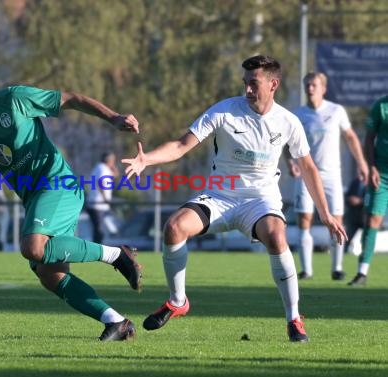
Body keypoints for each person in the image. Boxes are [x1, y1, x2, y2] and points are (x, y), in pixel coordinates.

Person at [122, 55, 347, 342]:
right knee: (174, 227)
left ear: (273, 84)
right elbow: (180, 145)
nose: (248, 90)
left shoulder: (288, 122)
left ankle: (294, 318)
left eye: (254, 83)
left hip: (260, 201)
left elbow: (308, 168)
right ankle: (178, 302)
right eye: (245, 83)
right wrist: (147, 160)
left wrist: (326, 214)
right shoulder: (224, 111)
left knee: (277, 235)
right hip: (219, 196)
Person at [0, 59, 142, 341]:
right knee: (49, 274)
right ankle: (116, 321)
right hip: (34, 199)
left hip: (57, 184)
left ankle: (117, 255)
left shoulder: (15, 98)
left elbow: (72, 100)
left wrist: (114, 117)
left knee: (32, 247)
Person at [285, 72, 368, 281]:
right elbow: (287, 143)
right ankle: (306, 270)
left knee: (336, 220)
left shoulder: (336, 111)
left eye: (313, 85)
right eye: (307, 85)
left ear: (323, 88)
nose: (309, 88)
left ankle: (337, 267)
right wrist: (290, 163)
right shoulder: (298, 114)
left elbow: (350, 136)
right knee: (305, 218)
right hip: (306, 174)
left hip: (331, 175)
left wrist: (361, 163)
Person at [348, 95, 388, 286]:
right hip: (381, 174)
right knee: (373, 219)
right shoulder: (381, 105)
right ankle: (362, 272)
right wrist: (371, 166)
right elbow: (370, 138)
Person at [86, 152, 119, 244]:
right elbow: (102, 183)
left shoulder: (99, 167)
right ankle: (96, 249)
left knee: (99, 229)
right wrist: (105, 199)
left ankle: (97, 247)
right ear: (110, 161)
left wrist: (113, 168)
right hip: (98, 204)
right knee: (99, 230)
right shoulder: (103, 169)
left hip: (96, 204)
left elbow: (115, 175)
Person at [344, 176, 367, 252]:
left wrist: (360, 201)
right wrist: (350, 199)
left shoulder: (371, 181)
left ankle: (365, 253)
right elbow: (347, 196)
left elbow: (371, 199)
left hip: (365, 216)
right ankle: (344, 253)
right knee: (348, 237)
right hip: (353, 216)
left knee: (366, 237)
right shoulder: (354, 182)